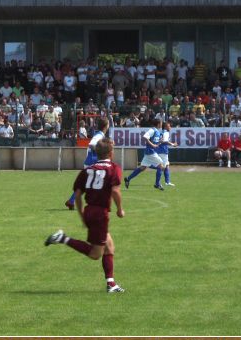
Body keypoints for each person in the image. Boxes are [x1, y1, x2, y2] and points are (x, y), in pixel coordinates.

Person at [44, 138, 126, 294]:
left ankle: (111, 283)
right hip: (100, 214)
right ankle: (62, 238)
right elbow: (115, 191)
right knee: (96, 254)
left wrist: (82, 214)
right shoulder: (114, 168)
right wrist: (120, 209)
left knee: (109, 247)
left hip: (89, 211)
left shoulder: (87, 170)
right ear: (111, 153)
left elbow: (78, 194)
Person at [66, 116, 110, 209]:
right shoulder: (99, 135)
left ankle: (71, 201)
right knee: (102, 182)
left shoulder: (100, 135)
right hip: (93, 162)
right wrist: (101, 151)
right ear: (106, 126)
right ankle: (102, 204)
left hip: (91, 162)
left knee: (86, 184)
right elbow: (91, 144)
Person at [123, 116, 164, 188]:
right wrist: (153, 145)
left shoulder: (157, 131)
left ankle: (128, 179)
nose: (161, 124)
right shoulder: (152, 130)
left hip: (149, 152)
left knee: (142, 168)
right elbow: (145, 137)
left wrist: (159, 142)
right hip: (151, 152)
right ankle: (157, 184)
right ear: (158, 124)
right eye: (160, 123)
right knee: (160, 166)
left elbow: (154, 143)